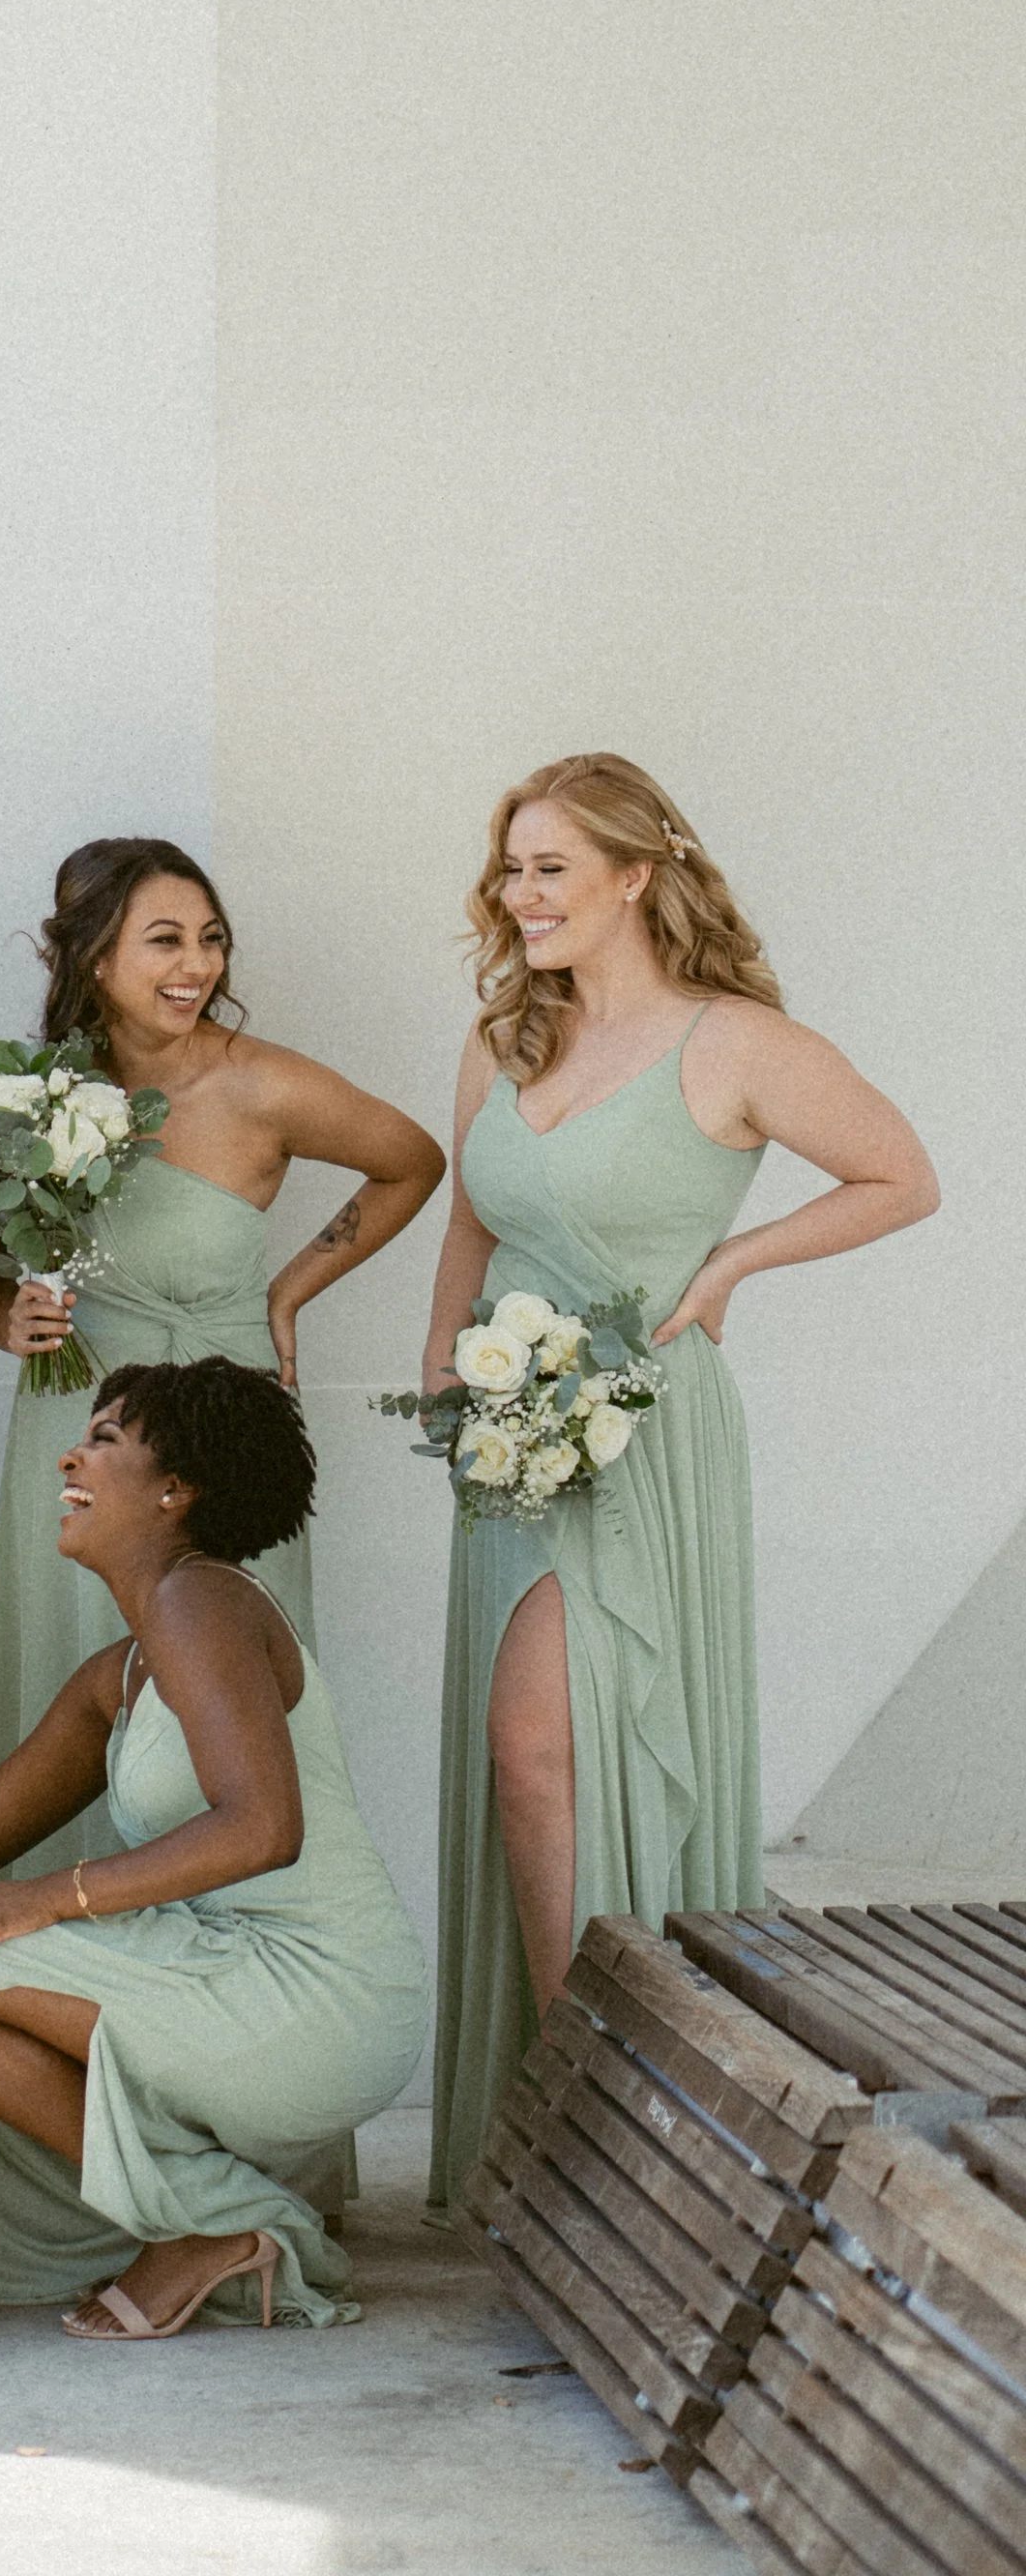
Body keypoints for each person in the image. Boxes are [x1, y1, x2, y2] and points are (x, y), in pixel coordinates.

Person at [424, 751, 939, 2207]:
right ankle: (566, 2109)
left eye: (550, 870)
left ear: (636, 876)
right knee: (531, 1763)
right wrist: (441, 1377)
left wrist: (731, 1267)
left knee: (549, 1747)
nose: (521, 896)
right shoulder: (504, 1040)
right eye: (510, 870)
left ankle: (613, 2110)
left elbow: (903, 1175)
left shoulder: (737, 1044)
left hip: (646, 1430)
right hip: (507, 1440)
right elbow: (469, 1228)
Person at [0, 1357, 427, 2356]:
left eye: (104, 1439)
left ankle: (211, 2222)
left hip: (320, 1994)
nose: (70, 1453)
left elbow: (262, 1828)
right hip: (234, 1974)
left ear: (175, 1489)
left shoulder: (207, 1605)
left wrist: (45, 1902)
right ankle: (210, 2214)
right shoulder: (126, 1667)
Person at [0, 837, 443, 1864]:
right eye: (165, 941)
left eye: (211, 940)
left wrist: (291, 1290)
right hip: (75, 1427)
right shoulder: (37, 1098)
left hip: (221, 1434)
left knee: (223, 1709)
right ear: (95, 957)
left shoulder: (262, 1085)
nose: (196, 966)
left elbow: (411, 1162)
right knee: (68, 1678)